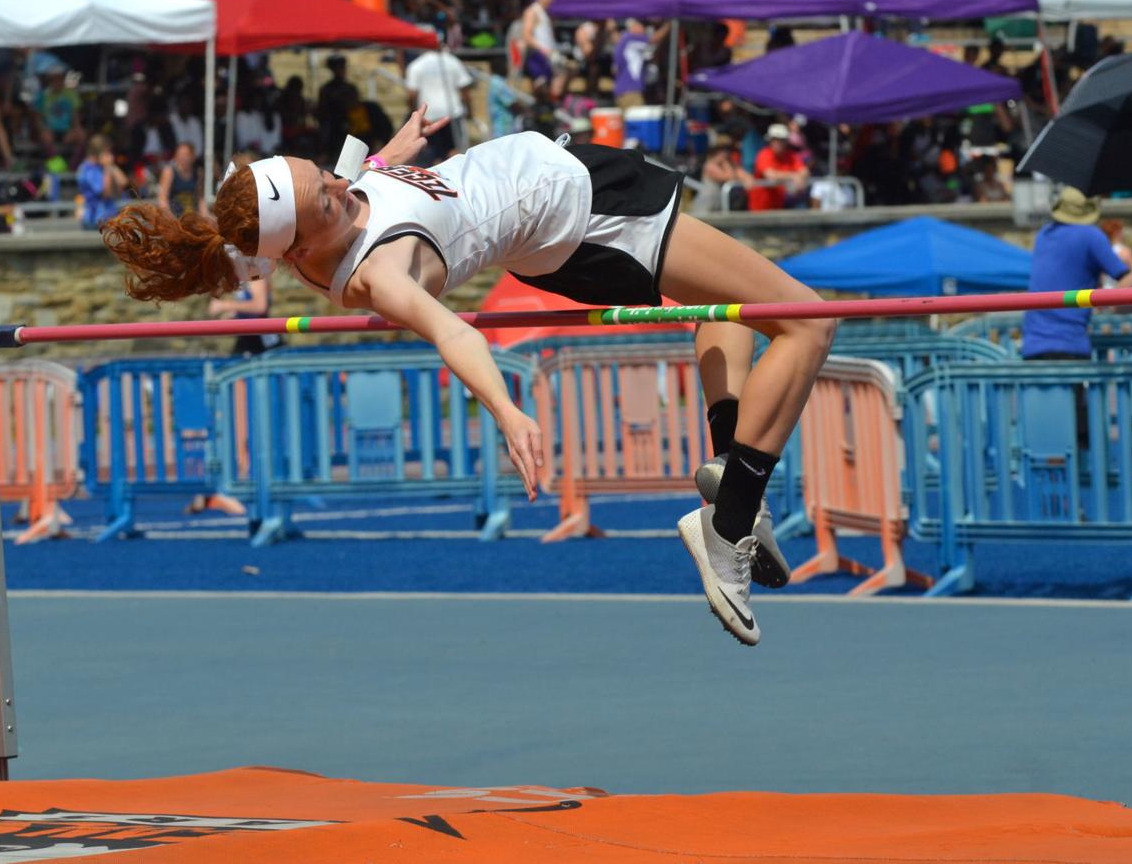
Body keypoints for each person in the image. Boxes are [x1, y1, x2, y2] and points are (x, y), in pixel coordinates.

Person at [103, 107, 836, 648]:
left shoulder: (325, 218)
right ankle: (731, 520)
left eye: (320, 170)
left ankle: (725, 461)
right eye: (323, 195)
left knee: (730, 307)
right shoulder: (379, 273)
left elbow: (354, 181)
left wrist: (394, 148)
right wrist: (507, 411)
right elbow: (453, 331)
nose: (336, 182)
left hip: (567, 182)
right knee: (806, 320)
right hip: (583, 214)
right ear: (299, 247)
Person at [1022, 188, 1132, 362]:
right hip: (1069, 344)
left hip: (1031, 346)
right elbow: (1126, 282)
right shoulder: (1090, 236)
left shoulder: (1044, 234)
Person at [403, 48, 472, 165]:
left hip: (429, 115)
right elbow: (465, 90)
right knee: (454, 152)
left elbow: (412, 95)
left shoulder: (416, 65)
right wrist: (470, 110)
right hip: (452, 113)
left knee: (434, 154)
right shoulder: (452, 61)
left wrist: (414, 114)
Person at [749, 123, 808, 211]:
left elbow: (804, 171)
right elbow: (770, 174)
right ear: (770, 141)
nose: (779, 143)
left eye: (782, 140)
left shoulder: (790, 155)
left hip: (779, 206)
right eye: (775, 140)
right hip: (760, 207)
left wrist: (799, 178)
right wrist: (793, 176)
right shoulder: (764, 154)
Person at [77, 135, 129, 230]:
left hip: (109, 217)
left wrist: (111, 166)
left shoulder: (102, 167)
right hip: (95, 220)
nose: (111, 156)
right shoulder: (87, 170)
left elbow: (124, 183)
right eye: (107, 152)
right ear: (98, 154)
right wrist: (108, 168)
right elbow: (106, 192)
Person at [612, 18, 652, 111]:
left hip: (622, 91)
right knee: (637, 123)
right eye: (643, 26)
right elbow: (653, 40)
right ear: (634, 26)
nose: (645, 30)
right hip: (631, 92)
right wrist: (668, 26)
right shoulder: (633, 39)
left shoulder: (623, 41)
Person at [157, 142, 204, 218]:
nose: (183, 157)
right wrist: (170, 218)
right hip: (174, 216)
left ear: (193, 156)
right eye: (180, 154)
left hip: (193, 218)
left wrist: (206, 217)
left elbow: (200, 199)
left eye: (186, 154)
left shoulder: (198, 173)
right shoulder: (169, 172)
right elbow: (162, 198)